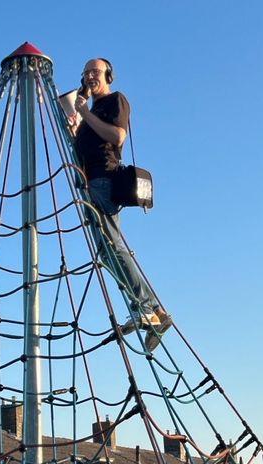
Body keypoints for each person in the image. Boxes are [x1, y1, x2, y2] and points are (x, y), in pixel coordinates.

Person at [70, 57, 171, 350]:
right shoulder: (92, 111)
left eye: (95, 72)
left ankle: (148, 308)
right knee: (107, 251)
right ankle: (153, 310)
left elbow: (116, 136)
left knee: (113, 248)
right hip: (90, 182)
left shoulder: (115, 101)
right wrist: (76, 123)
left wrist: (85, 114)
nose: (89, 76)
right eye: (86, 73)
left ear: (108, 75)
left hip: (104, 180)